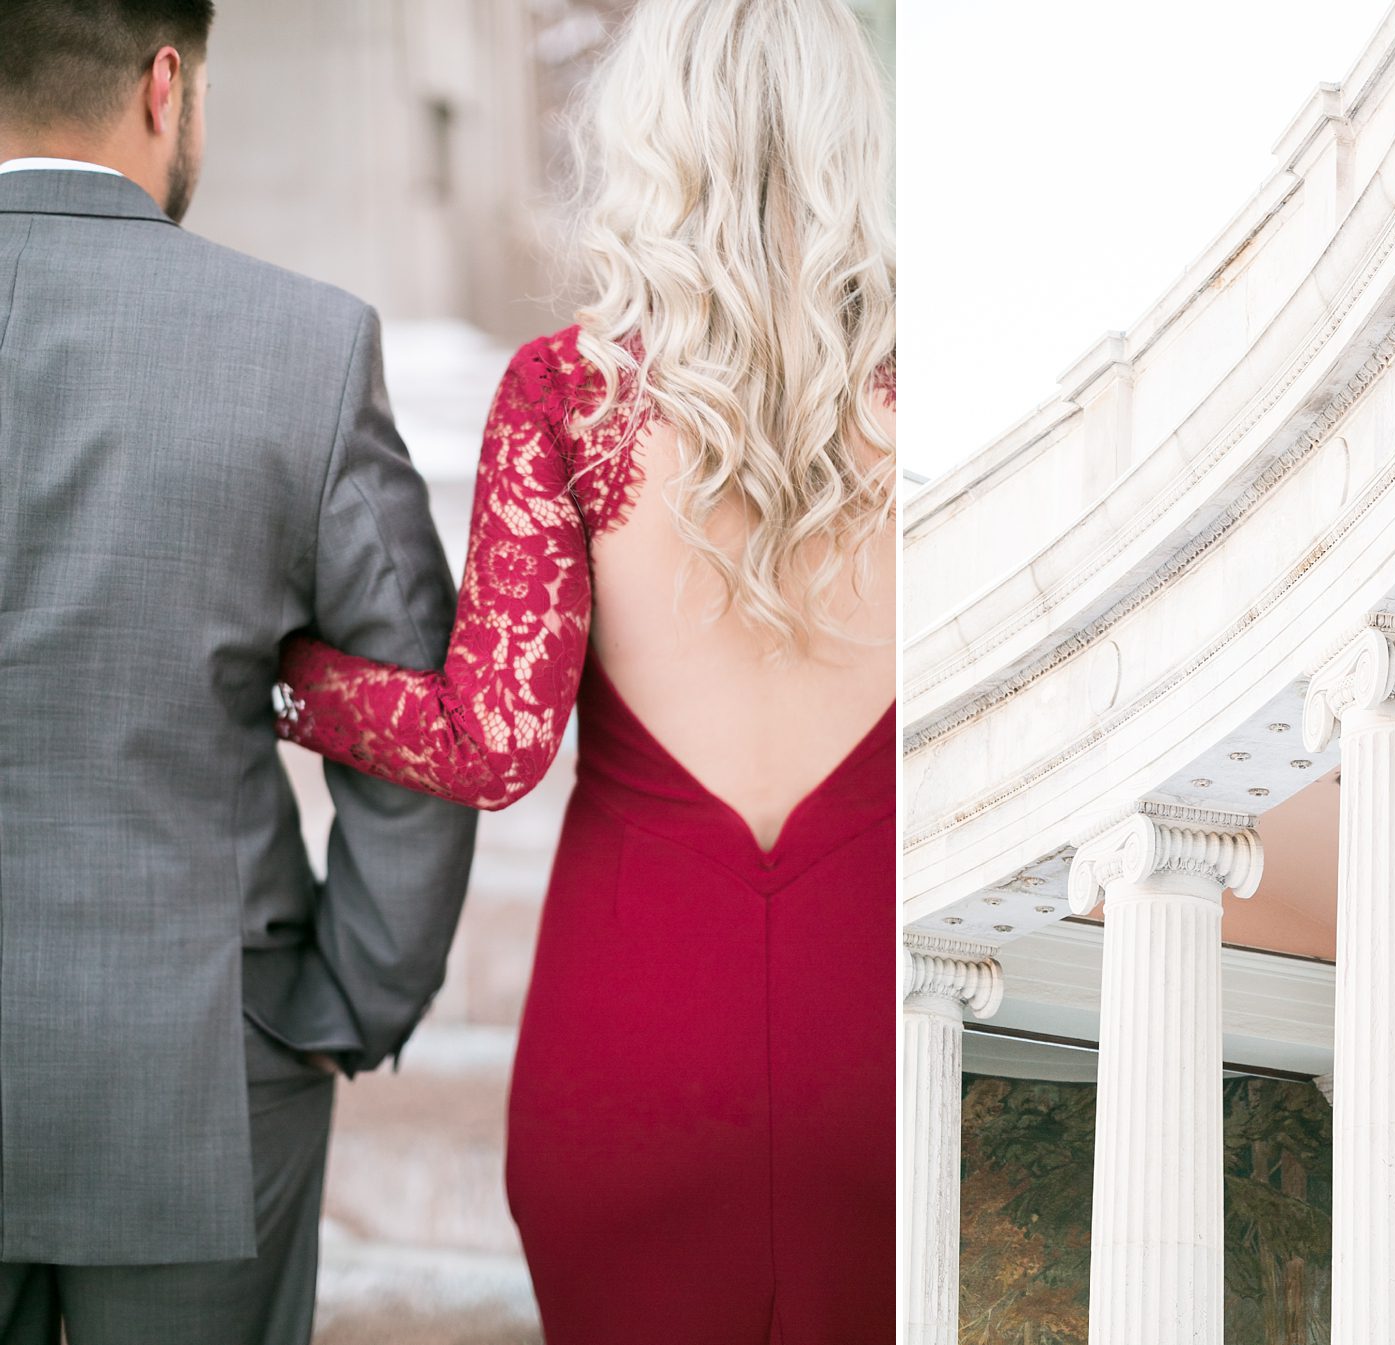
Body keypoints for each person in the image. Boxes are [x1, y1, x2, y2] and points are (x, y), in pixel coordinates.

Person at [274, 0, 897, 1339]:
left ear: (648, 135)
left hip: (632, 1045)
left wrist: (279, 676)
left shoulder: (568, 393)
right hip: (890, 1045)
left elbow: (492, 736)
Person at [0, 3, 478, 1342]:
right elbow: (417, 721)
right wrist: (351, 995)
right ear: (167, 86)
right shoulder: (300, 349)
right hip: (208, 1070)